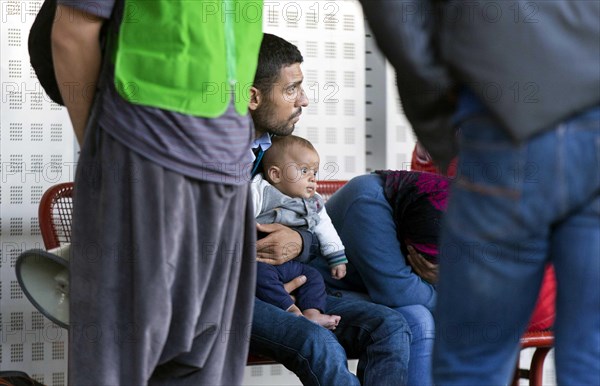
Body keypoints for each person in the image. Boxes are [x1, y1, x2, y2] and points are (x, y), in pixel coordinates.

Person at [360, 1, 600, 384]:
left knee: (475, 358)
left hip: (505, 118)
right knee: (593, 354)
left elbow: (395, 13)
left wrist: (440, 124)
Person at [52, 2, 261, 385]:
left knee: (205, 366)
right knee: (116, 362)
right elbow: (72, 33)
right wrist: (102, 154)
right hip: (145, 145)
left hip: (230, 162)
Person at [247, 33, 411, 386]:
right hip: (238, 293)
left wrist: (301, 243)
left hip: (294, 281)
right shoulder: (215, 153)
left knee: (391, 326)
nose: (304, 100)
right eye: (292, 89)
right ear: (253, 96)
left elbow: (308, 215)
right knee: (318, 343)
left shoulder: (278, 148)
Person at [253, 135, 347, 329]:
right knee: (258, 275)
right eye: (304, 171)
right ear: (276, 175)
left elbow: (324, 226)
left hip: (293, 264)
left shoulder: (314, 201)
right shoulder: (261, 191)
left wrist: (336, 255)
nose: (312, 177)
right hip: (263, 259)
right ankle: (290, 310)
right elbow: (237, 214)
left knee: (314, 277)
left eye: (314, 172)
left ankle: (312, 313)